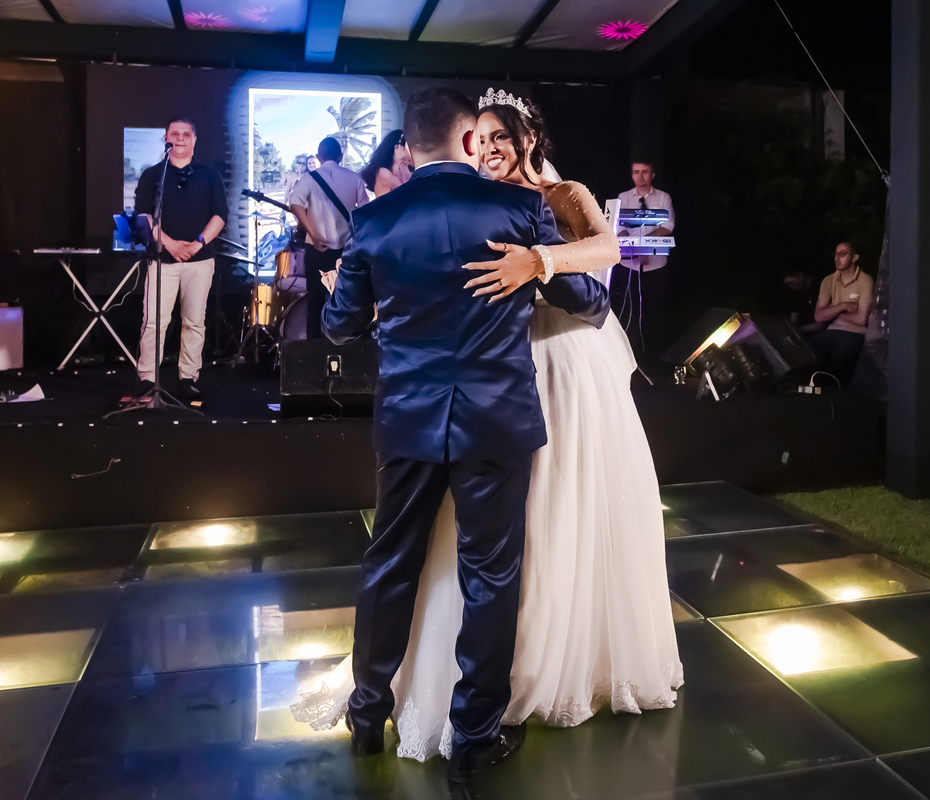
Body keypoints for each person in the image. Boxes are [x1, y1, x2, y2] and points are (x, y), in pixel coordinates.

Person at [298, 90, 683, 773]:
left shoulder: (374, 219)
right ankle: (475, 734)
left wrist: (353, 294)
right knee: (491, 575)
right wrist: (538, 269)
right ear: (468, 140)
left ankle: (367, 712)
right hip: (497, 418)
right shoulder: (517, 210)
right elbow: (589, 300)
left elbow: (338, 327)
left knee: (390, 564)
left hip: (409, 420)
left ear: (408, 148)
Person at [134, 116, 227, 400]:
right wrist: (171, 245)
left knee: (194, 321)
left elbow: (220, 215)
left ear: (194, 139)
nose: (181, 138)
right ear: (166, 138)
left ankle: (188, 377)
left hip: (200, 260)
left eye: (186, 134)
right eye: (175, 134)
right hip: (163, 260)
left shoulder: (210, 175)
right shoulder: (153, 175)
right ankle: (148, 378)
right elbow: (144, 217)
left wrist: (198, 243)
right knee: (154, 321)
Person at [288, 136, 368, 339]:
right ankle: (348, 353)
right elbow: (366, 213)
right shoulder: (355, 179)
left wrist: (313, 233)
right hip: (347, 253)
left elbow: (294, 203)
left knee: (315, 303)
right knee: (348, 304)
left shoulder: (309, 178)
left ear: (318, 156)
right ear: (341, 156)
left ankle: (314, 355)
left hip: (317, 250)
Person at [613, 161, 676, 367]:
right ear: (632, 175)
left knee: (655, 310)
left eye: (645, 172)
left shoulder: (663, 197)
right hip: (629, 265)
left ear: (652, 174)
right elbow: (618, 226)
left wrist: (644, 247)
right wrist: (634, 251)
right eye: (636, 172)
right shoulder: (623, 197)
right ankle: (631, 356)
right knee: (632, 310)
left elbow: (668, 226)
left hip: (656, 263)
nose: (640, 176)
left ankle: (653, 357)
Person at [806, 241, 873, 383]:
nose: (837, 258)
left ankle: (836, 393)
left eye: (842, 254)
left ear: (854, 258)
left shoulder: (865, 280)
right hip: (833, 330)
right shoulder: (829, 280)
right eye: (835, 254)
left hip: (856, 333)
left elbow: (861, 319)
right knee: (806, 349)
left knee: (839, 360)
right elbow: (819, 316)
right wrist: (843, 306)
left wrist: (832, 310)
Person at [359, 129, 413, 198]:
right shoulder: (383, 172)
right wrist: (401, 162)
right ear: (398, 148)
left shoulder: (406, 169)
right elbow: (408, 190)